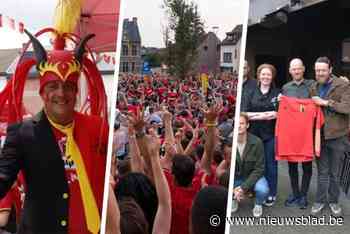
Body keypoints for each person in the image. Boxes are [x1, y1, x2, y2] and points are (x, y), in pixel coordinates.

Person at [0, 29, 108, 233]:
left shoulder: (98, 127)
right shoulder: (22, 133)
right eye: (53, 86)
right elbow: (3, 177)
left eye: (68, 86)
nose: (61, 93)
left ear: (76, 91)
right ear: (42, 92)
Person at [309, 57, 350, 215]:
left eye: (323, 70)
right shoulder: (313, 86)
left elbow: (347, 108)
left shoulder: (343, 84)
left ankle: (333, 201)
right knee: (322, 172)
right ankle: (319, 201)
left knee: (334, 172)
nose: (320, 73)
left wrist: (325, 103)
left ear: (330, 70)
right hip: (320, 136)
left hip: (338, 136)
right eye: (317, 70)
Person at [281, 58, 315, 209]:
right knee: (292, 167)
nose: (296, 71)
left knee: (307, 167)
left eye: (298, 68)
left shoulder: (312, 85)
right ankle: (295, 193)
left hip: (307, 134)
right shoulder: (285, 88)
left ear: (303, 69)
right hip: (291, 135)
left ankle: (303, 195)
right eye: (293, 69)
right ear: (290, 71)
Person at [245, 64, 280, 206]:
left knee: (271, 165)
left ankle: (271, 192)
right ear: (259, 76)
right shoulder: (250, 92)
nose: (266, 77)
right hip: (253, 135)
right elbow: (245, 113)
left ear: (272, 77)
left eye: (268, 74)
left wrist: (270, 114)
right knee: (254, 164)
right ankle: (255, 189)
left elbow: (278, 114)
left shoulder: (278, 93)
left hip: (270, 134)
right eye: (263, 74)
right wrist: (264, 115)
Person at [232, 113, 268, 217]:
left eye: (242, 123)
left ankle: (258, 204)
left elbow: (260, 168)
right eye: (237, 123)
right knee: (226, 183)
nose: (239, 126)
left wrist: (243, 187)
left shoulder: (257, 142)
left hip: (253, 176)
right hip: (237, 178)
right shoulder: (229, 143)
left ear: (247, 125)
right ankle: (233, 198)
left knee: (263, 189)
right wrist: (234, 188)